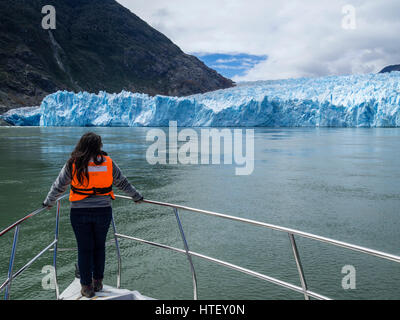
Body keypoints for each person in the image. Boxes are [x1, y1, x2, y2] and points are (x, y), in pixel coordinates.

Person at [42, 132, 143, 298]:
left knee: (84, 249)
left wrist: (49, 202)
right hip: (102, 211)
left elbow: (59, 186)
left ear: (81, 145)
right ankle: (98, 282)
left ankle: (86, 287)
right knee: (99, 247)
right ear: (99, 146)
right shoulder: (108, 162)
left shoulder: (73, 163)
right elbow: (122, 182)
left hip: (79, 213)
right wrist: (136, 196)